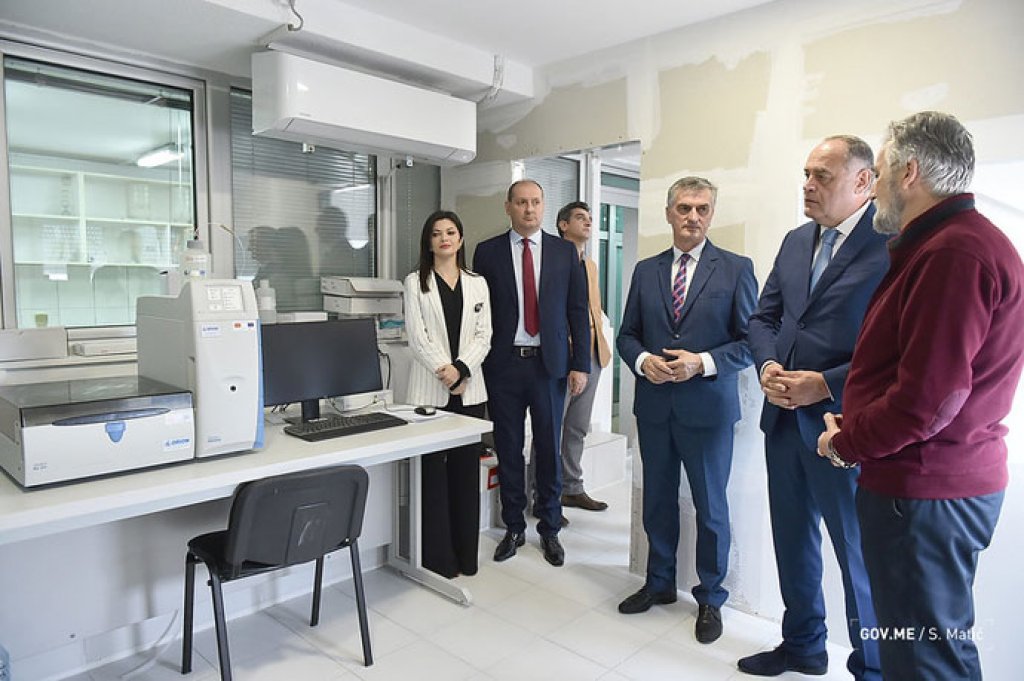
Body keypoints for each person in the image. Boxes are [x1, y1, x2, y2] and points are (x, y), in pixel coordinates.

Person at [817, 111, 1024, 681]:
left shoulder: (953, 254)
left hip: (923, 493)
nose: (875, 186)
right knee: (924, 648)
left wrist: (846, 444)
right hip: (928, 489)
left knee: (925, 660)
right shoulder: (950, 244)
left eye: (882, 170)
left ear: (909, 172)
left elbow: (928, 402)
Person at [741, 136, 887, 679]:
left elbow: (895, 351)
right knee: (792, 541)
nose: (807, 185)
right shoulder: (796, 240)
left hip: (842, 428)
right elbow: (764, 318)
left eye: (821, 175)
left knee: (857, 556)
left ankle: (873, 667)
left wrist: (824, 385)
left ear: (863, 182)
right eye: (806, 173)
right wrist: (767, 366)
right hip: (782, 422)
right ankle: (803, 645)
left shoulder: (891, 245)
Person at [616, 176, 757, 644]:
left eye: (701, 208)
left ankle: (711, 597)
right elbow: (627, 335)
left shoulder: (736, 269)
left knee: (711, 508)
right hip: (655, 408)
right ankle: (659, 582)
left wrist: (703, 362)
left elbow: (751, 343)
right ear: (669, 213)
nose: (692, 217)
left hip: (708, 411)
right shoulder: (646, 270)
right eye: (684, 208)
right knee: (657, 500)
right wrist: (643, 361)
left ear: (711, 214)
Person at [473, 179, 591, 567]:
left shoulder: (563, 252)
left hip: (549, 366)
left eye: (536, 202)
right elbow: (480, 313)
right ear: (508, 206)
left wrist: (580, 364)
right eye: (522, 202)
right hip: (504, 365)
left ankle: (550, 528)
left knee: (548, 449)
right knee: (508, 448)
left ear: (543, 206)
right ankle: (513, 527)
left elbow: (578, 310)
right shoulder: (487, 252)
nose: (529, 209)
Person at [403, 210, 492, 578]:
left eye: (451, 232)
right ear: (428, 241)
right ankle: (438, 560)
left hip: (470, 392)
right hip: (430, 392)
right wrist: (448, 372)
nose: (444, 239)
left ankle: (466, 557)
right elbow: (417, 337)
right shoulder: (415, 282)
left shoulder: (478, 283)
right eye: (437, 233)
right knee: (432, 478)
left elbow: (484, 334)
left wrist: (463, 369)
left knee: (465, 475)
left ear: (460, 239)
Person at [555, 201, 613, 514]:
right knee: (552, 426)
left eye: (590, 218)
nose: (589, 222)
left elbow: (593, 308)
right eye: (580, 218)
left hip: (592, 353)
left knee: (578, 426)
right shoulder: (551, 261)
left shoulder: (589, 264)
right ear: (563, 225)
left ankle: (572, 488)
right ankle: (544, 493)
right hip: (563, 355)